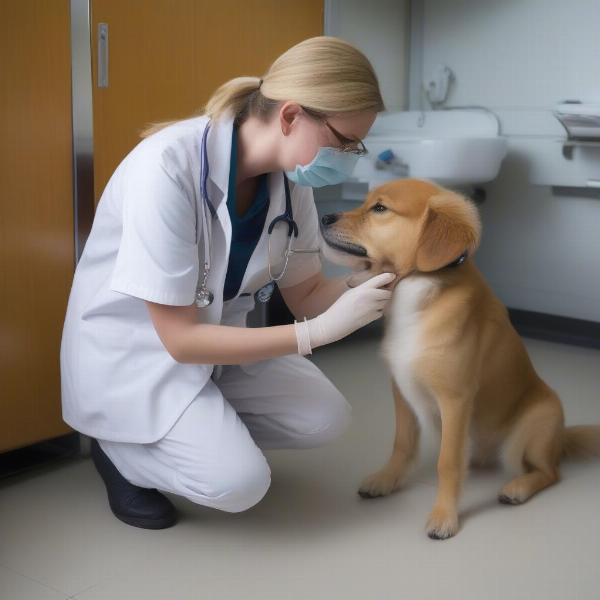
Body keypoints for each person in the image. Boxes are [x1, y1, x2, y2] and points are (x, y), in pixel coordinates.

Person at [60, 35, 395, 530]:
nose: (349, 157)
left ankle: (198, 435)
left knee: (326, 418)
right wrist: (316, 335)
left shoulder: (290, 181)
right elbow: (179, 339)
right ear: (290, 116)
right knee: (239, 484)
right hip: (139, 357)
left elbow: (304, 295)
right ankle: (120, 452)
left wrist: (367, 284)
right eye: (345, 143)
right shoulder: (167, 169)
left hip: (216, 348)